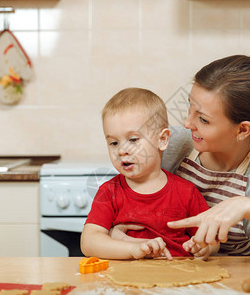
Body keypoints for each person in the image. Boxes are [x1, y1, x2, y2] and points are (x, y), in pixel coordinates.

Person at [112, 56, 250, 258]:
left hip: (232, 282)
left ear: (243, 130)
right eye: (190, 109)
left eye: (203, 120)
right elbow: (115, 205)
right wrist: (116, 235)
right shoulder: (170, 144)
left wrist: (248, 206)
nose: (188, 124)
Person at [81, 87, 219, 260]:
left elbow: (211, 239)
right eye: (114, 143)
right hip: (127, 282)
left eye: (133, 140)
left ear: (162, 139)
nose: (122, 150)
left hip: (177, 280)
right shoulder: (109, 192)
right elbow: (89, 242)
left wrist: (204, 247)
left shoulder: (187, 192)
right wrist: (132, 249)